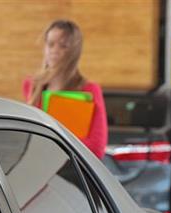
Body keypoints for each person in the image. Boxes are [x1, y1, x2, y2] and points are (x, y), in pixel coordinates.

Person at [22, 19, 108, 159]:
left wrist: (52, 141)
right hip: (37, 167)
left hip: (72, 171)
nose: (54, 51)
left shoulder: (89, 90)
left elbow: (96, 148)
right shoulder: (32, 86)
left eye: (63, 46)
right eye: (50, 44)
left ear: (74, 51)